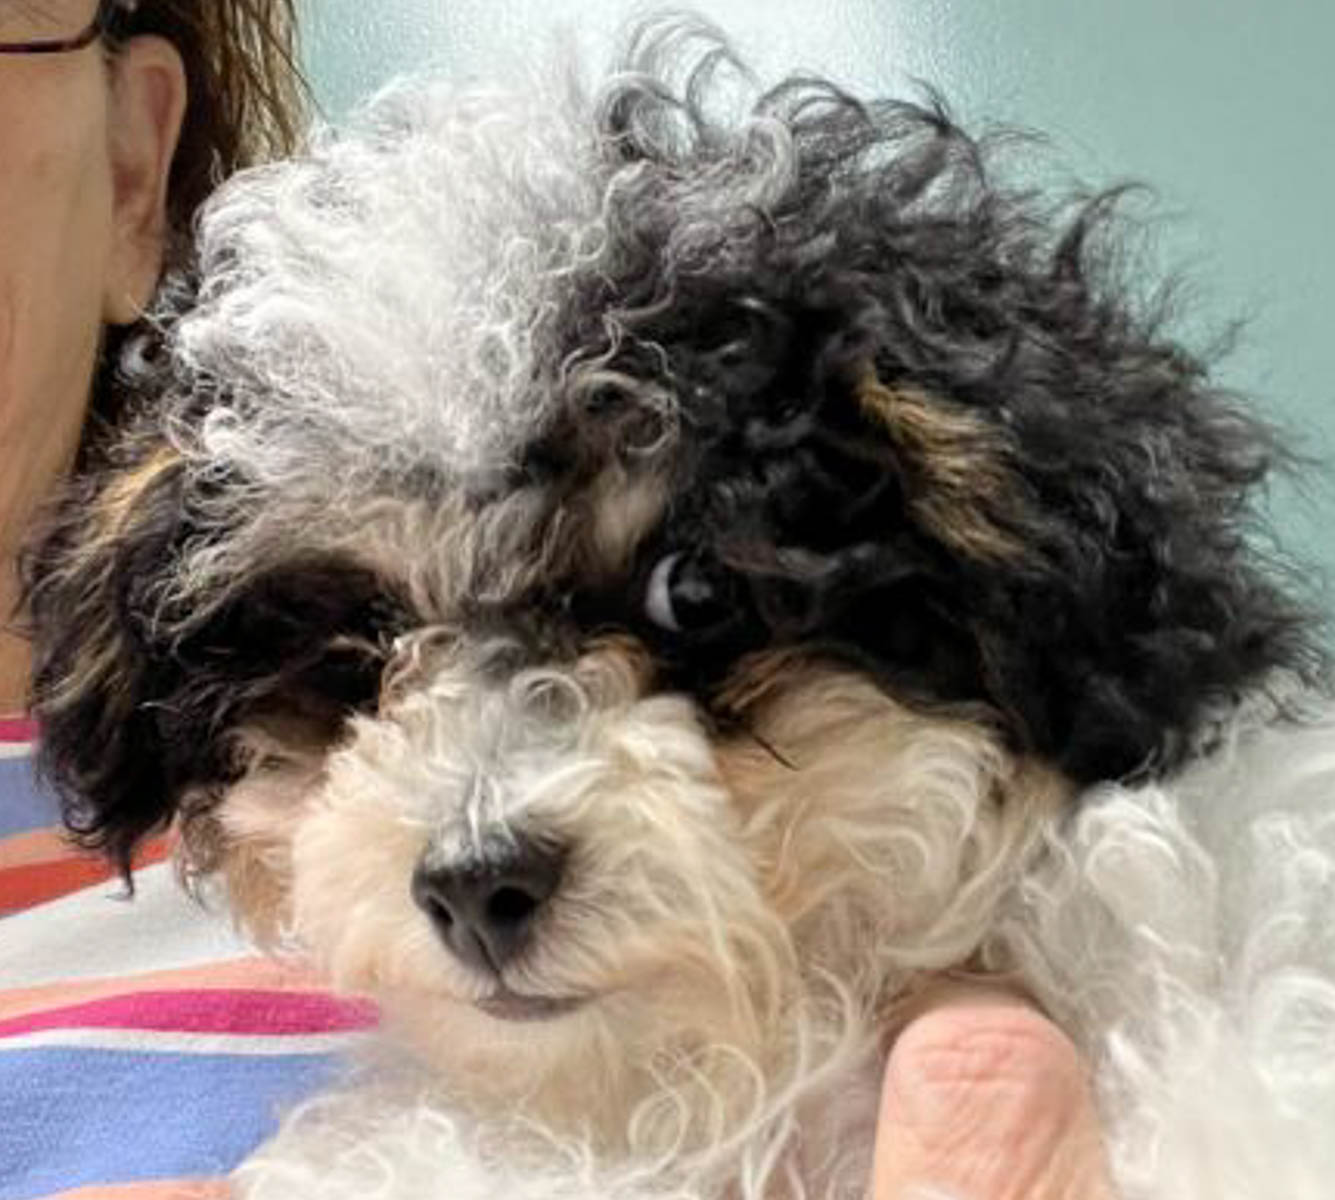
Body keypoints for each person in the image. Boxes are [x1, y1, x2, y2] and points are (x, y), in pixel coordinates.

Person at [0, 4, 1114, 1196]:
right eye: (368, 655)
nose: (474, 851)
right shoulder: (263, 750)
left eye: (687, 602)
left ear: (131, 165)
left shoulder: (995, 863)